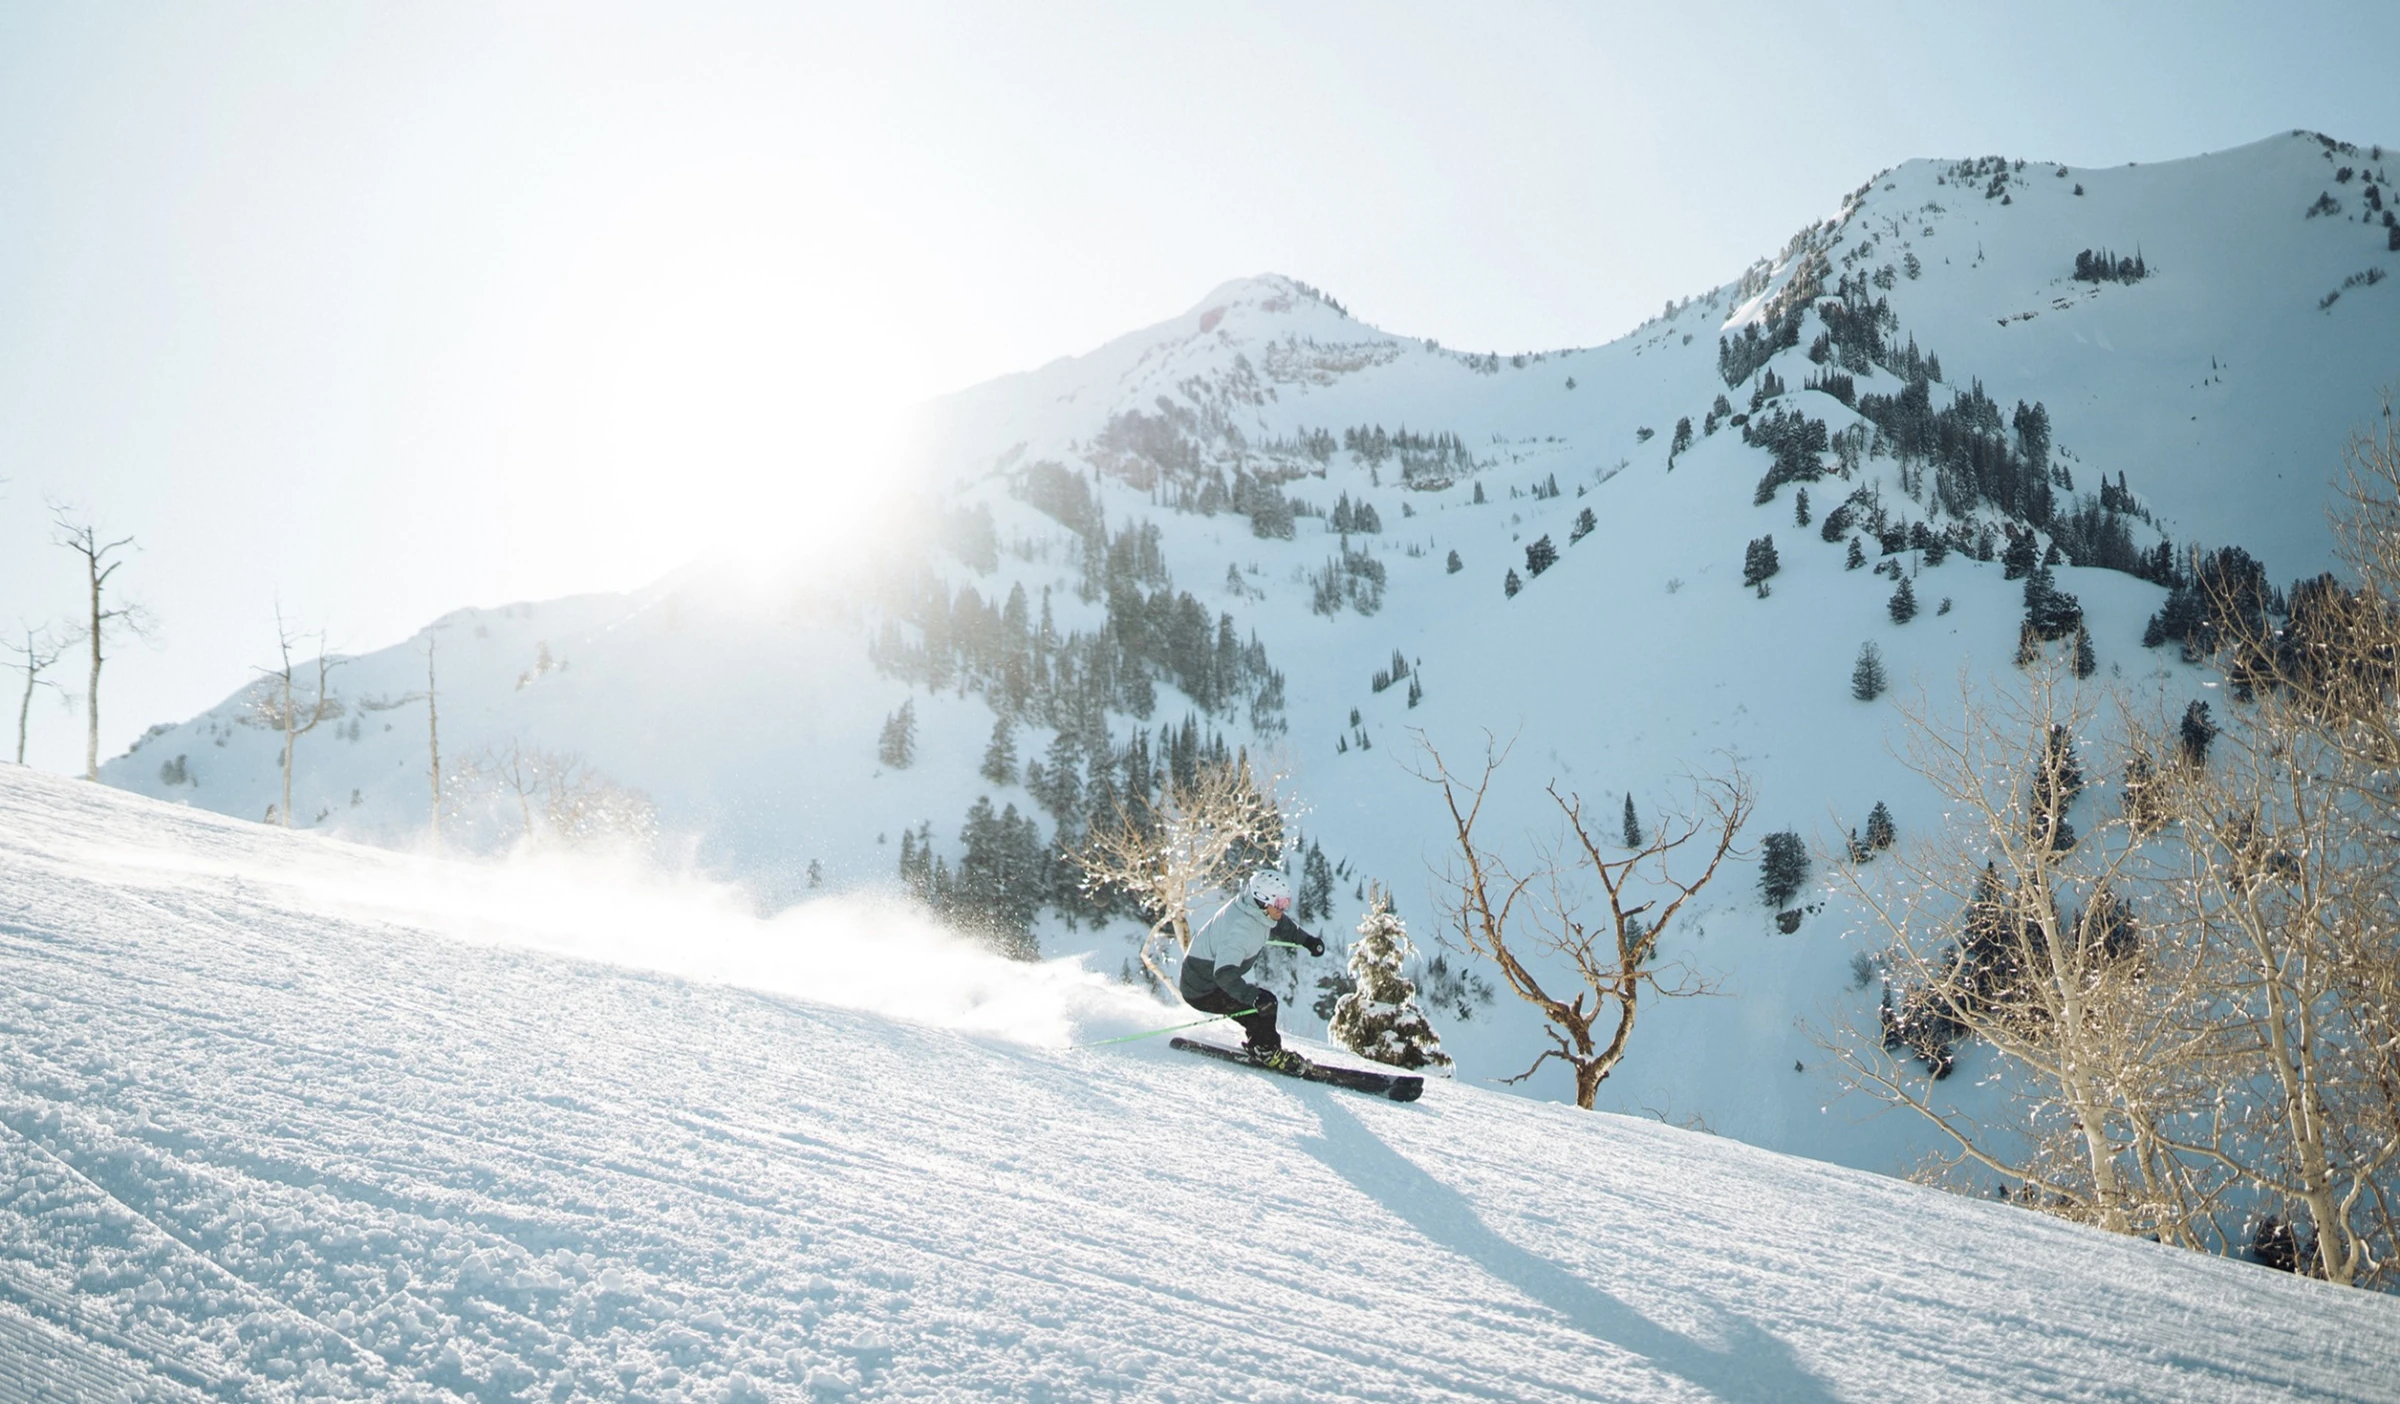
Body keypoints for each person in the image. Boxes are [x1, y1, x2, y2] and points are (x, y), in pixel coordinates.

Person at [1179, 868, 1324, 1072]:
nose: (1283, 908)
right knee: (1265, 1004)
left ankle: (1263, 1047)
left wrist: (1307, 941)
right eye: (1280, 903)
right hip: (1201, 987)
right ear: (1263, 899)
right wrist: (1252, 996)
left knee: (1260, 1009)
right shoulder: (1241, 928)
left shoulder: (1257, 909)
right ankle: (1266, 1051)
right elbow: (1224, 974)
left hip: (1209, 978)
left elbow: (1282, 925)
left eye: (1286, 902)